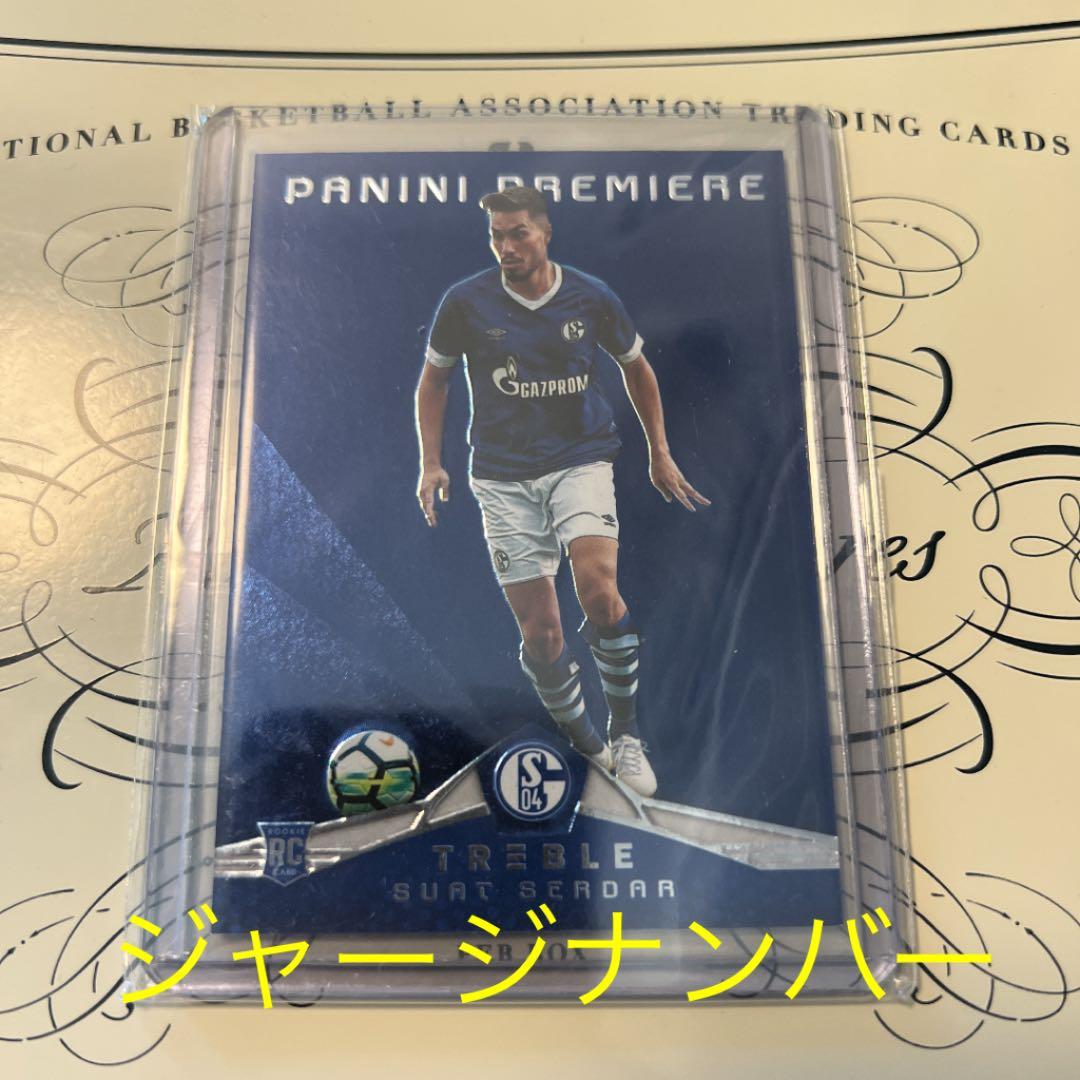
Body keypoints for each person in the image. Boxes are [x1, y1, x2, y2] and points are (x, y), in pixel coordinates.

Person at [414, 185, 708, 796]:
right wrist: (431, 463)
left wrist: (659, 451)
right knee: (542, 635)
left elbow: (636, 366)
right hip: (501, 477)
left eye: (518, 232)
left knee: (598, 589)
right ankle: (588, 746)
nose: (506, 246)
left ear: (546, 233)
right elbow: (434, 380)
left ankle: (626, 736)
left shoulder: (590, 295)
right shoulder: (464, 302)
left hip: (581, 459)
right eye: (496, 235)